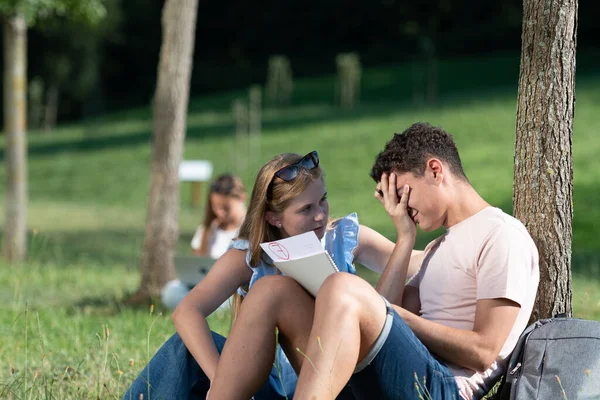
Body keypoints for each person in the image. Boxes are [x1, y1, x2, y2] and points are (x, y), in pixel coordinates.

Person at [206, 123, 540, 400]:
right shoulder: (441, 246)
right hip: (396, 374)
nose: (399, 204)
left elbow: (483, 351)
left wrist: (386, 312)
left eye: (403, 193)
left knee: (342, 287)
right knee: (271, 291)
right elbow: (383, 328)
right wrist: (404, 236)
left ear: (435, 170)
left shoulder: (501, 235)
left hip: (441, 389)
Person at [123, 151, 421, 400]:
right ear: (273, 216)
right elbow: (187, 311)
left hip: (335, 382)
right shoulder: (251, 255)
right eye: (306, 209)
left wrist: (444, 231)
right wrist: (221, 379)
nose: (319, 215)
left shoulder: (342, 237)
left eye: (322, 201)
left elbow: (418, 263)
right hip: (275, 387)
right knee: (181, 349)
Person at [161, 174, 247, 309]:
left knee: (228, 301)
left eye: (225, 208)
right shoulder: (208, 229)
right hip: (204, 287)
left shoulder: (251, 229)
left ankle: (194, 309)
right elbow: (197, 264)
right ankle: (197, 308)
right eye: (215, 207)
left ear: (242, 198)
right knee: (170, 291)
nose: (220, 213)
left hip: (231, 290)